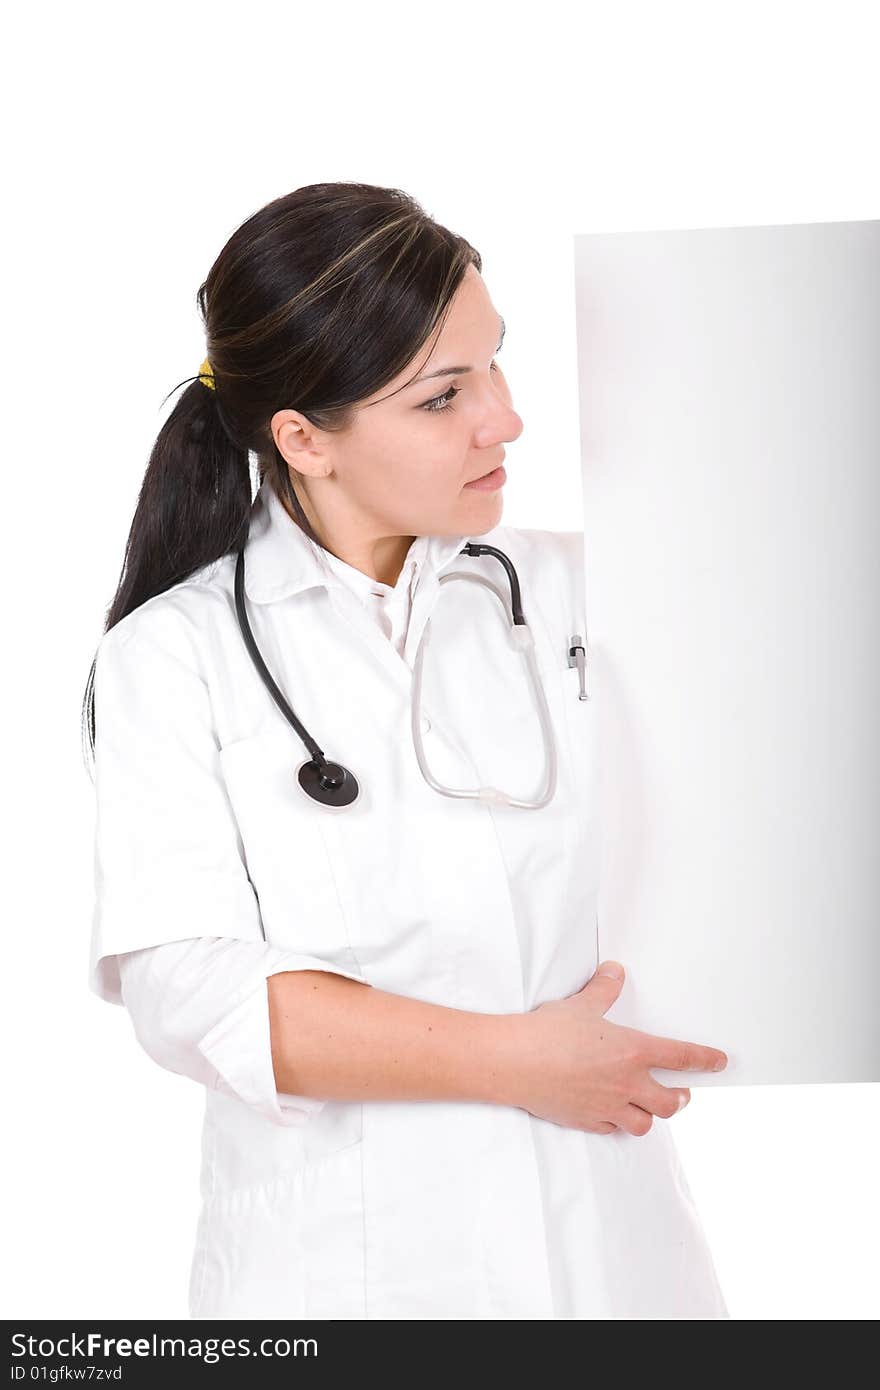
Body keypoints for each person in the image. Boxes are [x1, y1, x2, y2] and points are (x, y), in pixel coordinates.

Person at [82, 181, 730, 1320]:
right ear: (301, 439)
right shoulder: (174, 655)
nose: (505, 418)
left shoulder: (594, 588)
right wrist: (516, 1060)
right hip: (349, 1279)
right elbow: (189, 991)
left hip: (618, 1266)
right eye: (443, 397)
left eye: (495, 365)